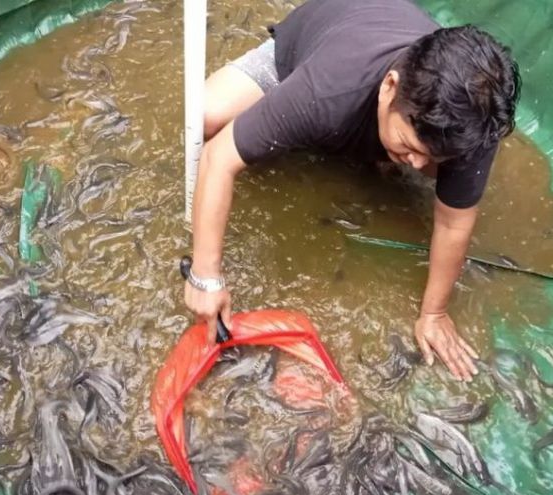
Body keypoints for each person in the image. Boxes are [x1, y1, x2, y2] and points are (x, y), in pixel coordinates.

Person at [184, 0, 521, 381]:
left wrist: (433, 313)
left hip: (389, 35)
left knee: (438, 168)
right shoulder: (327, 87)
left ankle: (382, 146)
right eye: (409, 146)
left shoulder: (471, 123)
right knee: (204, 117)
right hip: (318, 40)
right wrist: (205, 276)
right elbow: (218, 157)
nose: (415, 164)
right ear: (390, 87)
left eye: (429, 155)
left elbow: (453, 224)